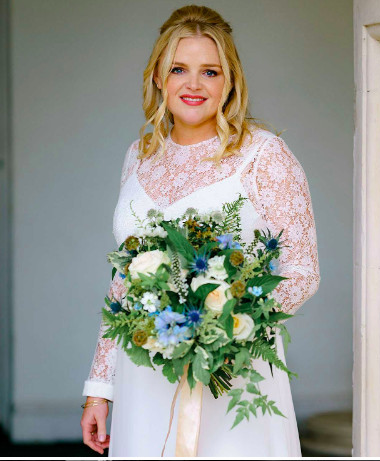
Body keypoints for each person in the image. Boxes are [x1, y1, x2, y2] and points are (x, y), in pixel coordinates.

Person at [79, 5, 320, 456]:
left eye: (209, 71)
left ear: (230, 81)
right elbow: (123, 282)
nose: (193, 85)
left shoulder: (264, 156)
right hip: (144, 373)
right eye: (179, 69)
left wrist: (223, 328)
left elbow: (302, 272)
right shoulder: (139, 155)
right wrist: (99, 389)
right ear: (157, 77)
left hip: (231, 372)